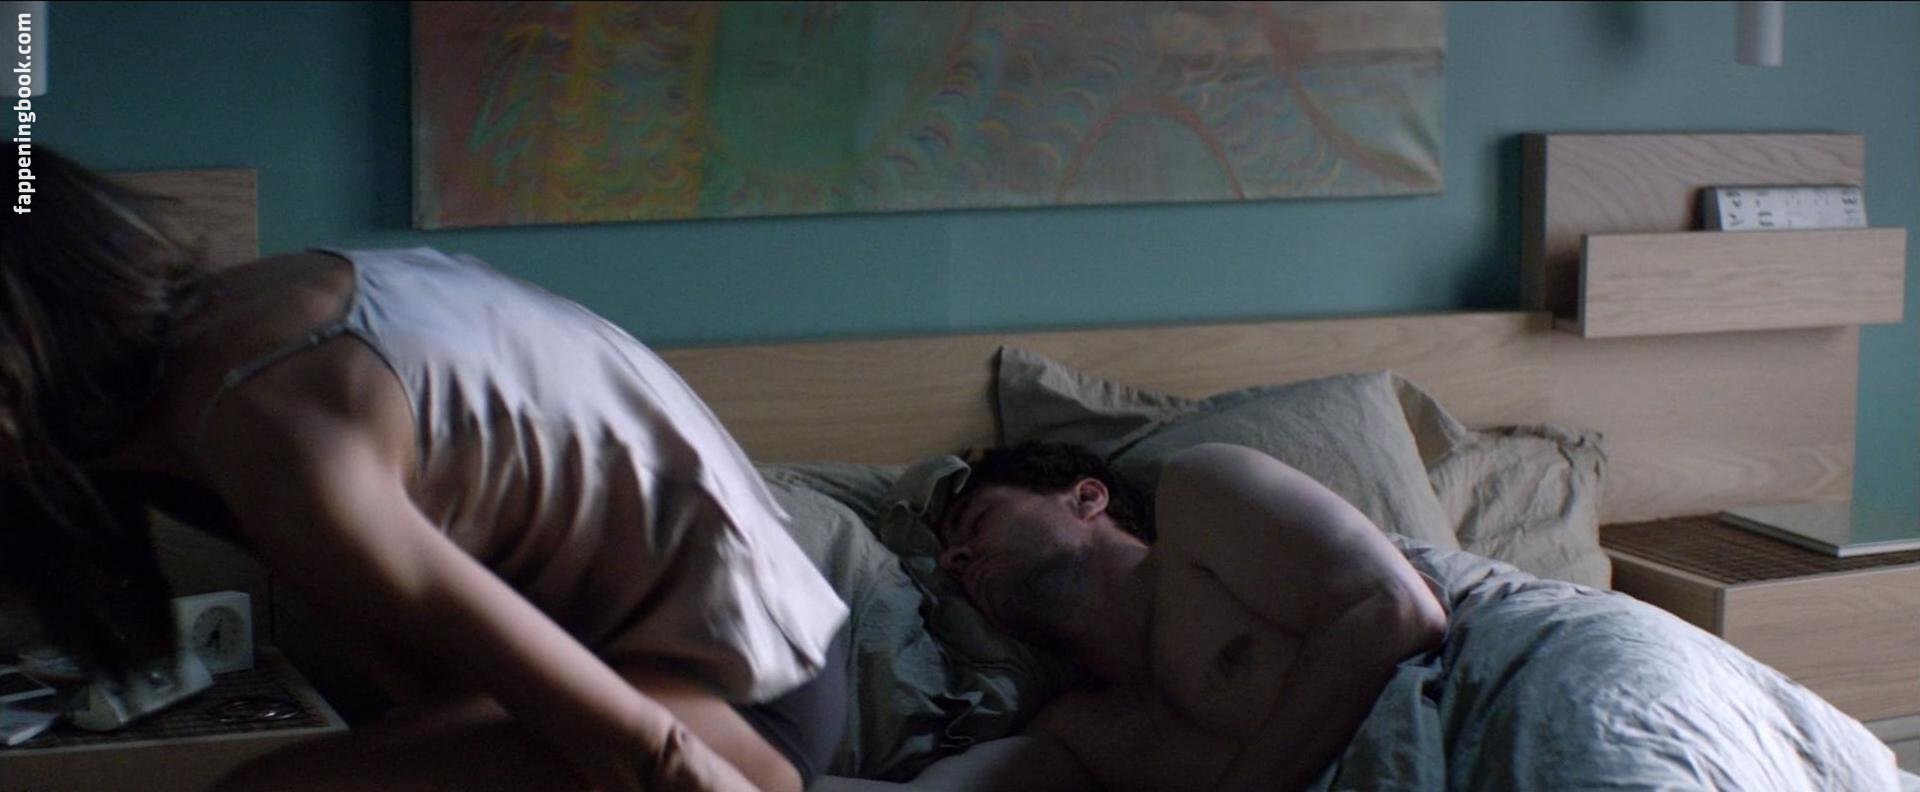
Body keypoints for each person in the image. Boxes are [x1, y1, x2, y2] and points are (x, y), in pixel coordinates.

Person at [0, 147, 849, 792]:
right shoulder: (218, 344)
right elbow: (427, 667)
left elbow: (657, 753)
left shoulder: (270, 425)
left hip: (737, 701)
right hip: (652, 670)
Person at [932, 441, 1449, 792]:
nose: (955, 558)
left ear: (1087, 498)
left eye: (978, 521)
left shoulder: (1198, 502)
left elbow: (1397, 607)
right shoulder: (1079, 733)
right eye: (950, 559)